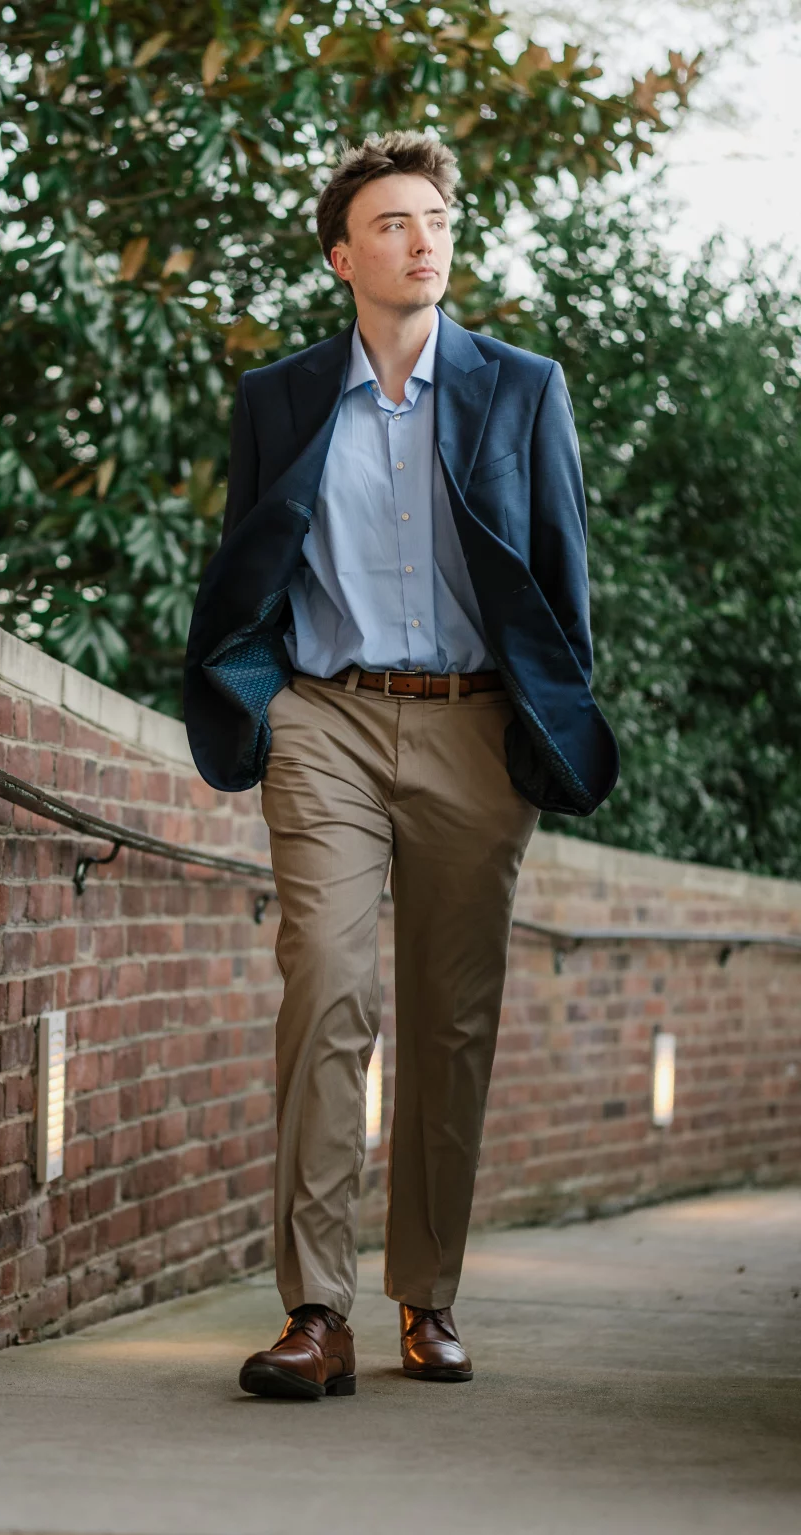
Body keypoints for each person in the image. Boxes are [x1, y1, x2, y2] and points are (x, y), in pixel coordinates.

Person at [183, 131, 619, 1400]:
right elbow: (245, 566)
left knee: (450, 1015)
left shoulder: (519, 386)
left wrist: (544, 718)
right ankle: (315, 1309)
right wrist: (252, 699)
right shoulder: (279, 396)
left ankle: (426, 1294)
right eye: (392, 222)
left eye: (436, 218)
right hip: (326, 718)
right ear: (342, 254)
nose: (423, 239)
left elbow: (561, 572)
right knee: (325, 983)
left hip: (472, 728)